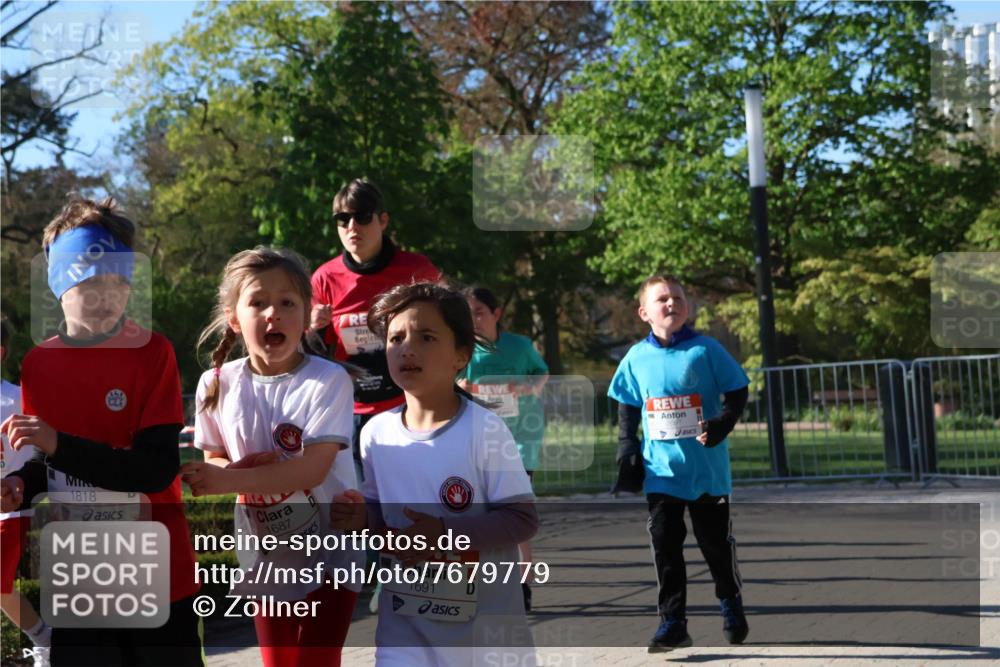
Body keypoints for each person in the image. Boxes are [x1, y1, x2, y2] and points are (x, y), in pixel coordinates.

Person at [0, 195, 203, 665]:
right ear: (59, 286)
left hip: (159, 577)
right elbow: (50, 462)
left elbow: (154, 470)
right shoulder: (39, 366)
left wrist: (56, 444)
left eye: (119, 281)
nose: (107, 295)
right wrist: (21, 482)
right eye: (91, 282)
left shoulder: (152, 353)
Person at [331, 282, 538, 666]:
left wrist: (445, 535)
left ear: (461, 354)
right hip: (404, 630)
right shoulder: (376, 434)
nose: (407, 348)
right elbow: (379, 517)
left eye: (426, 337)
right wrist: (359, 518)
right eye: (396, 338)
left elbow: (522, 518)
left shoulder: (485, 429)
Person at [181, 246, 360, 667]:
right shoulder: (216, 383)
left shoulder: (328, 379)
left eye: (287, 303)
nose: (272, 314)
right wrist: (227, 473)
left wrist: (231, 479)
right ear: (233, 318)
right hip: (266, 554)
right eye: (257, 302)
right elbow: (215, 458)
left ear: (307, 313)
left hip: (331, 549)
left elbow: (312, 469)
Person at [608, 274, 750, 652]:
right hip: (661, 471)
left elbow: (738, 390)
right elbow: (628, 404)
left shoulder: (706, 349)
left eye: (677, 298)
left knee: (714, 544)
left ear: (687, 307)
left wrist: (722, 423)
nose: (671, 303)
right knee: (665, 544)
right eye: (662, 299)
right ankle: (672, 622)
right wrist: (627, 444)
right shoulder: (636, 357)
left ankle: (729, 599)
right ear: (644, 312)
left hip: (706, 470)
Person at [309, 178, 441, 479]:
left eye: (362, 216)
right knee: (363, 498)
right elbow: (313, 355)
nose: (352, 226)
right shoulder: (324, 278)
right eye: (343, 219)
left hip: (411, 403)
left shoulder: (417, 270)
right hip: (354, 410)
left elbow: (445, 330)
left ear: (383, 220)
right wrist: (314, 328)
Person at [460, 286, 548, 611]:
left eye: (479, 312)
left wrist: (526, 387)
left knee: (516, 507)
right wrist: (460, 386)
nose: (474, 320)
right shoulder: (462, 349)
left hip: (521, 437)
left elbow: (541, 373)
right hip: (480, 439)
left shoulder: (519, 346)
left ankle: (523, 579)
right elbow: (448, 383)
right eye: (468, 314)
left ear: (496, 314)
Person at [0, 316, 51, 667]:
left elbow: (43, 452)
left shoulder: (18, 399)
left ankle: (46, 641)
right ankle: (47, 639)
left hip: (14, 508)